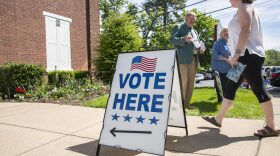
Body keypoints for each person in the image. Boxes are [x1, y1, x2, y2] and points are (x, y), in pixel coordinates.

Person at [202, 0, 279, 137]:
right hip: (241, 58)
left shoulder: (245, 7)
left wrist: (237, 54)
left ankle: (272, 126)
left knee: (258, 88)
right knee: (230, 88)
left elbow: (245, 30)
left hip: (247, 56)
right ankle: (218, 119)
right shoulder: (242, 9)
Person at [170, 12, 205, 109]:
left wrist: (200, 49)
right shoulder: (179, 27)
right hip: (183, 59)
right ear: (185, 18)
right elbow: (172, 40)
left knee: (191, 83)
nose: (193, 18)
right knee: (183, 82)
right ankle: (178, 106)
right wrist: (183, 39)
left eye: (195, 17)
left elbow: (197, 44)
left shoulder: (195, 31)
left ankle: (186, 104)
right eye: (191, 16)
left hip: (194, 59)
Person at [211, 27, 231, 102]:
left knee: (227, 87)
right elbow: (215, 55)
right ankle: (221, 101)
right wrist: (226, 59)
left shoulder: (228, 44)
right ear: (221, 34)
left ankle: (226, 101)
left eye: (228, 31)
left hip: (227, 69)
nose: (227, 32)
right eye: (224, 31)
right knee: (220, 87)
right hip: (219, 69)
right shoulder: (217, 43)